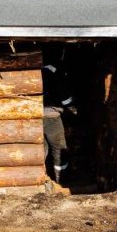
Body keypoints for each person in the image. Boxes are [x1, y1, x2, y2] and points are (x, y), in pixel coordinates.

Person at [42, 48, 77, 183]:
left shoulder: (35, 69)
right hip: (51, 117)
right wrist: (72, 107)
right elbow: (64, 95)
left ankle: (40, 177)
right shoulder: (54, 70)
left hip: (34, 117)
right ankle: (61, 180)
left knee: (42, 148)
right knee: (59, 148)